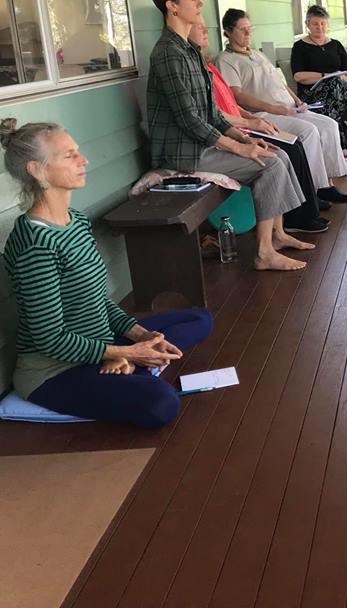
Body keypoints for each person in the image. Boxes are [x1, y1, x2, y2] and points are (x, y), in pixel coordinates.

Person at [0, 118, 214, 428]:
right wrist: (129, 353)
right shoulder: (36, 243)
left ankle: (124, 365)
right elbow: (50, 338)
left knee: (200, 319)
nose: (84, 160)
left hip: (99, 342)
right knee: (161, 403)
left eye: (78, 151)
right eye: (69, 155)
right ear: (37, 170)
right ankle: (126, 366)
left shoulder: (75, 220)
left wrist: (140, 337)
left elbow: (97, 300)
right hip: (56, 370)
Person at [145, 0, 312, 271]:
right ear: (172, 6)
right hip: (184, 153)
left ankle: (277, 236)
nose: (200, 4)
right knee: (270, 165)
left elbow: (210, 112)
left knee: (276, 155)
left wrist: (245, 138)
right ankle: (264, 252)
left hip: (201, 145)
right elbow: (189, 119)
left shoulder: (189, 51)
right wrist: (240, 149)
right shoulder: (168, 54)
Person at [188, 22, 329, 234]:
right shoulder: (217, 64)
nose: (206, 30)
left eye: (250, 28)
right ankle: (297, 216)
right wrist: (250, 123)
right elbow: (215, 115)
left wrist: (250, 117)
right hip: (232, 131)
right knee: (286, 150)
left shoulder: (210, 68)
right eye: (200, 27)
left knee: (294, 145)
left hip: (242, 124)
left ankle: (308, 206)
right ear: (228, 32)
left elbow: (230, 104)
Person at [215, 8, 347, 204]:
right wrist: (275, 109)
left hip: (289, 108)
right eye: (242, 29)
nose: (248, 33)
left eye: (250, 28)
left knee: (329, 125)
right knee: (309, 132)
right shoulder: (226, 60)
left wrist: (297, 101)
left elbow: (279, 83)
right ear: (228, 32)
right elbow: (237, 96)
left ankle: (327, 184)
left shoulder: (257, 54)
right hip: (263, 115)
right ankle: (313, 191)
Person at [290, 4, 347, 152]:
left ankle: (333, 148)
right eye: (315, 23)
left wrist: (339, 79)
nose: (319, 27)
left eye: (322, 23)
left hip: (339, 93)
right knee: (331, 89)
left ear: (327, 25)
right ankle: (341, 147)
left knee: (334, 84)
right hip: (311, 94)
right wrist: (324, 76)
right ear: (307, 24)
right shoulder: (300, 47)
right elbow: (298, 76)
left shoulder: (336, 45)